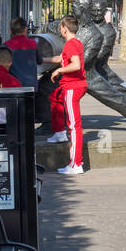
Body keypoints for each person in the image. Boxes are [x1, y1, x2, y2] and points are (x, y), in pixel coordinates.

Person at [46, 15, 87, 174]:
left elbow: (75, 65)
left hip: (72, 87)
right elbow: (62, 59)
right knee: (55, 97)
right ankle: (59, 133)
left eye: (60, 28)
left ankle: (76, 164)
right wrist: (43, 59)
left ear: (64, 29)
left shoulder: (70, 44)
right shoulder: (74, 43)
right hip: (71, 86)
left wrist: (59, 70)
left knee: (74, 126)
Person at [4, 17, 43, 98]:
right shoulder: (33, 43)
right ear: (25, 30)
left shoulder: (6, 45)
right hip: (31, 86)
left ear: (10, 31)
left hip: (14, 86)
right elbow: (39, 61)